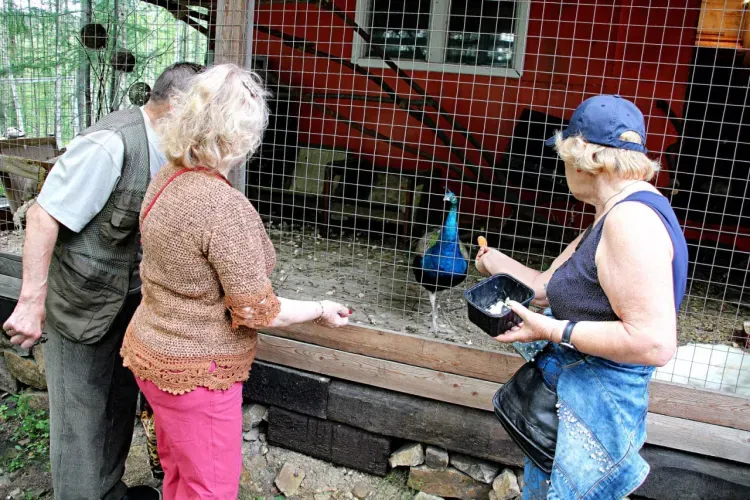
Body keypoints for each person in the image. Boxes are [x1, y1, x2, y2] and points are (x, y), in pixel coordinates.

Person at [119, 63, 351, 500]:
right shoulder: (221, 206)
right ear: (239, 136)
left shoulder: (166, 177)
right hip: (195, 373)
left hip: (152, 352)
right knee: (211, 488)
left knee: (177, 472)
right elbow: (256, 309)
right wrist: (320, 309)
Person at [3, 62, 204, 500]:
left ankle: (108, 491)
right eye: (202, 111)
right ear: (177, 105)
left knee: (117, 402)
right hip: (81, 304)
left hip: (129, 303)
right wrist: (30, 304)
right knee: (79, 417)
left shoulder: (168, 148)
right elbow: (42, 215)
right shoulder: (110, 145)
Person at [476, 95, 688, 499]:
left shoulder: (630, 222)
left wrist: (554, 331)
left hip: (598, 402)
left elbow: (654, 343)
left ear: (583, 157)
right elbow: (544, 288)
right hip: (569, 397)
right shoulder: (615, 209)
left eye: (563, 156)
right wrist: (498, 263)